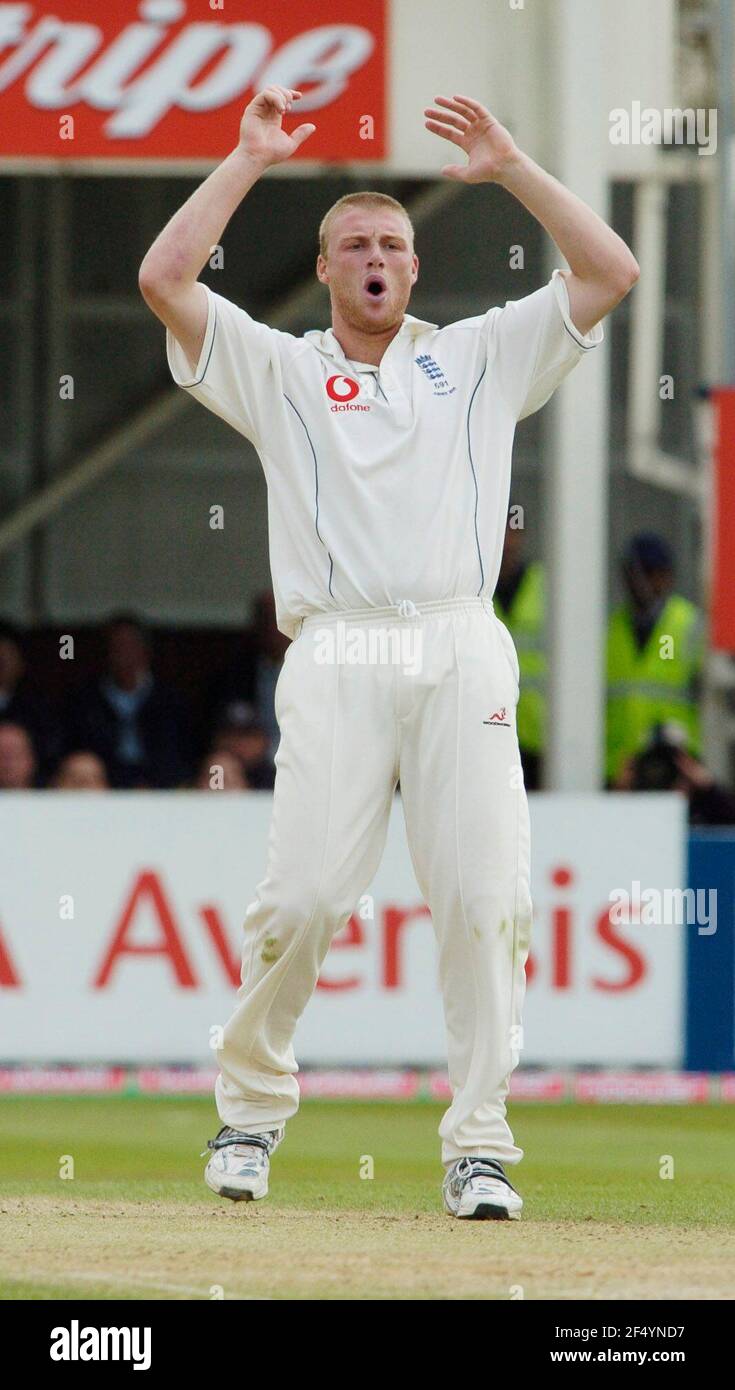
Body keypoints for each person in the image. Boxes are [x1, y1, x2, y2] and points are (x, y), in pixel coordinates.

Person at [139, 86, 638, 1220]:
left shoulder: (478, 357)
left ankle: (479, 1145)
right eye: (355, 243)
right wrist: (248, 156)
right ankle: (251, 1117)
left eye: (393, 244)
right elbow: (167, 281)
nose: (376, 256)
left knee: (482, 898)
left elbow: (611, 272)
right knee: (307, 895)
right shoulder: (279, 370)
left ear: (414, 269)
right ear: (326, 270)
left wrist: (511, 163)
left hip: (462, 642)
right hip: (337, 646)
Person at [606, 533, 703, 785]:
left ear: (667, 576)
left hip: (677, 769)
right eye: (633, 573)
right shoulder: (612, 629)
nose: (641, 583)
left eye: (649, 572)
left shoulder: (688, 625)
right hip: (621, 771)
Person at [62, 613, 192, 789]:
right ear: (106, 652)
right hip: (101, 791)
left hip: (162, 791)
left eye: (131, 645)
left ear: (146, 650)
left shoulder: (171, 699)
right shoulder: (84, 701)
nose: (124, 654)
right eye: (117, 646)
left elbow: (182, 754)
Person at [493, 516, 546, 789]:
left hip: (539, 738)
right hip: (489, 730)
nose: (507, 543)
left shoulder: (546, 588)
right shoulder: (473, 589)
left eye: (512, 534)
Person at [0, 721, 38, 790]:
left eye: (14, 756)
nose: (8, 764)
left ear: (30, 759)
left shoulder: (54, 798)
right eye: (2, 755)